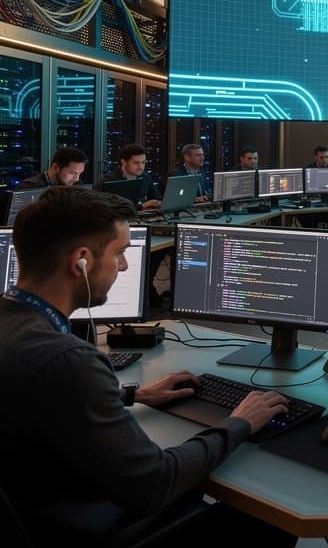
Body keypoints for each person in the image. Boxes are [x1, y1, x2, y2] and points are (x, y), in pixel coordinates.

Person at [0, 187, 296, 546]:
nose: (124, 266)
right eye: (119, 253)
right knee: (268, 517)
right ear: (81, 260)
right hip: (76, 528)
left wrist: (133, 393)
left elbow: (35, 402)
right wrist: (240, 423)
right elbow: (155, 483)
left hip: (36, 508)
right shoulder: (68, 361)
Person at [99, 143, 162, 211]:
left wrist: (157, 203)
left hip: (142, 218)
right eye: (136, 163)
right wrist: (140, 207)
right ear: (124, 162)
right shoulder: (110, 181)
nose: (140, 167)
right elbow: (108, 210)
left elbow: (156, 198)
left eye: (143, 162)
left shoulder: (145, 176)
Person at [17, 147, 88, 189]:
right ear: (56, 167)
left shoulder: (77, 185)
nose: (76, 179)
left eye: (79, 174)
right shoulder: (29, 187)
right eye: (72, 173)